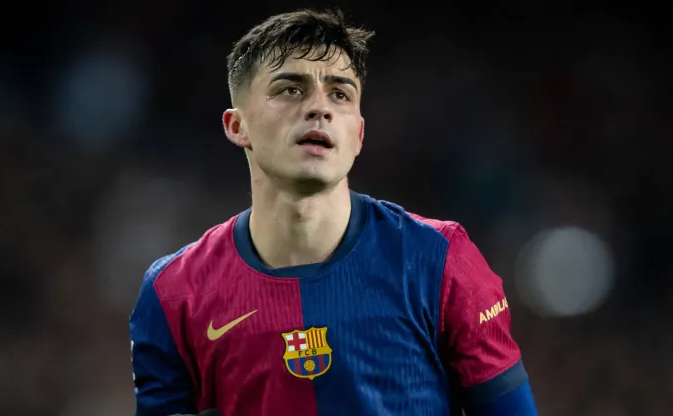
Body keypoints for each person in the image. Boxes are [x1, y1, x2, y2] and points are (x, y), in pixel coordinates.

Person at [129, 8, 538, 416]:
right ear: (237, 126)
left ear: (358, 134)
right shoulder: (172, 293)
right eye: (290, 89)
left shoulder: (440, 260)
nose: (319, 109)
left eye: (340, 94)